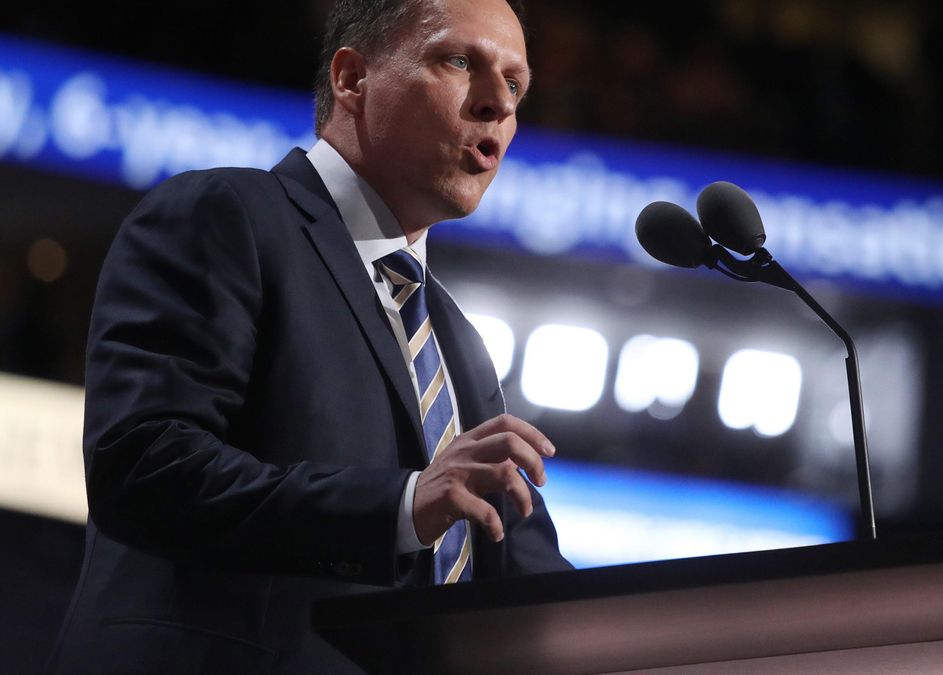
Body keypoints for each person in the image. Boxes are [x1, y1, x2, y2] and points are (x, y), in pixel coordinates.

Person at [48, 0, 571, 672]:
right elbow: (144, 467)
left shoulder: (460, 345)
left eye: (516, 84)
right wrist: (402, 505)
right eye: (460, 61)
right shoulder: (227, 216)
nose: (497, 102)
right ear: (353, 78)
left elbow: (538, 586)